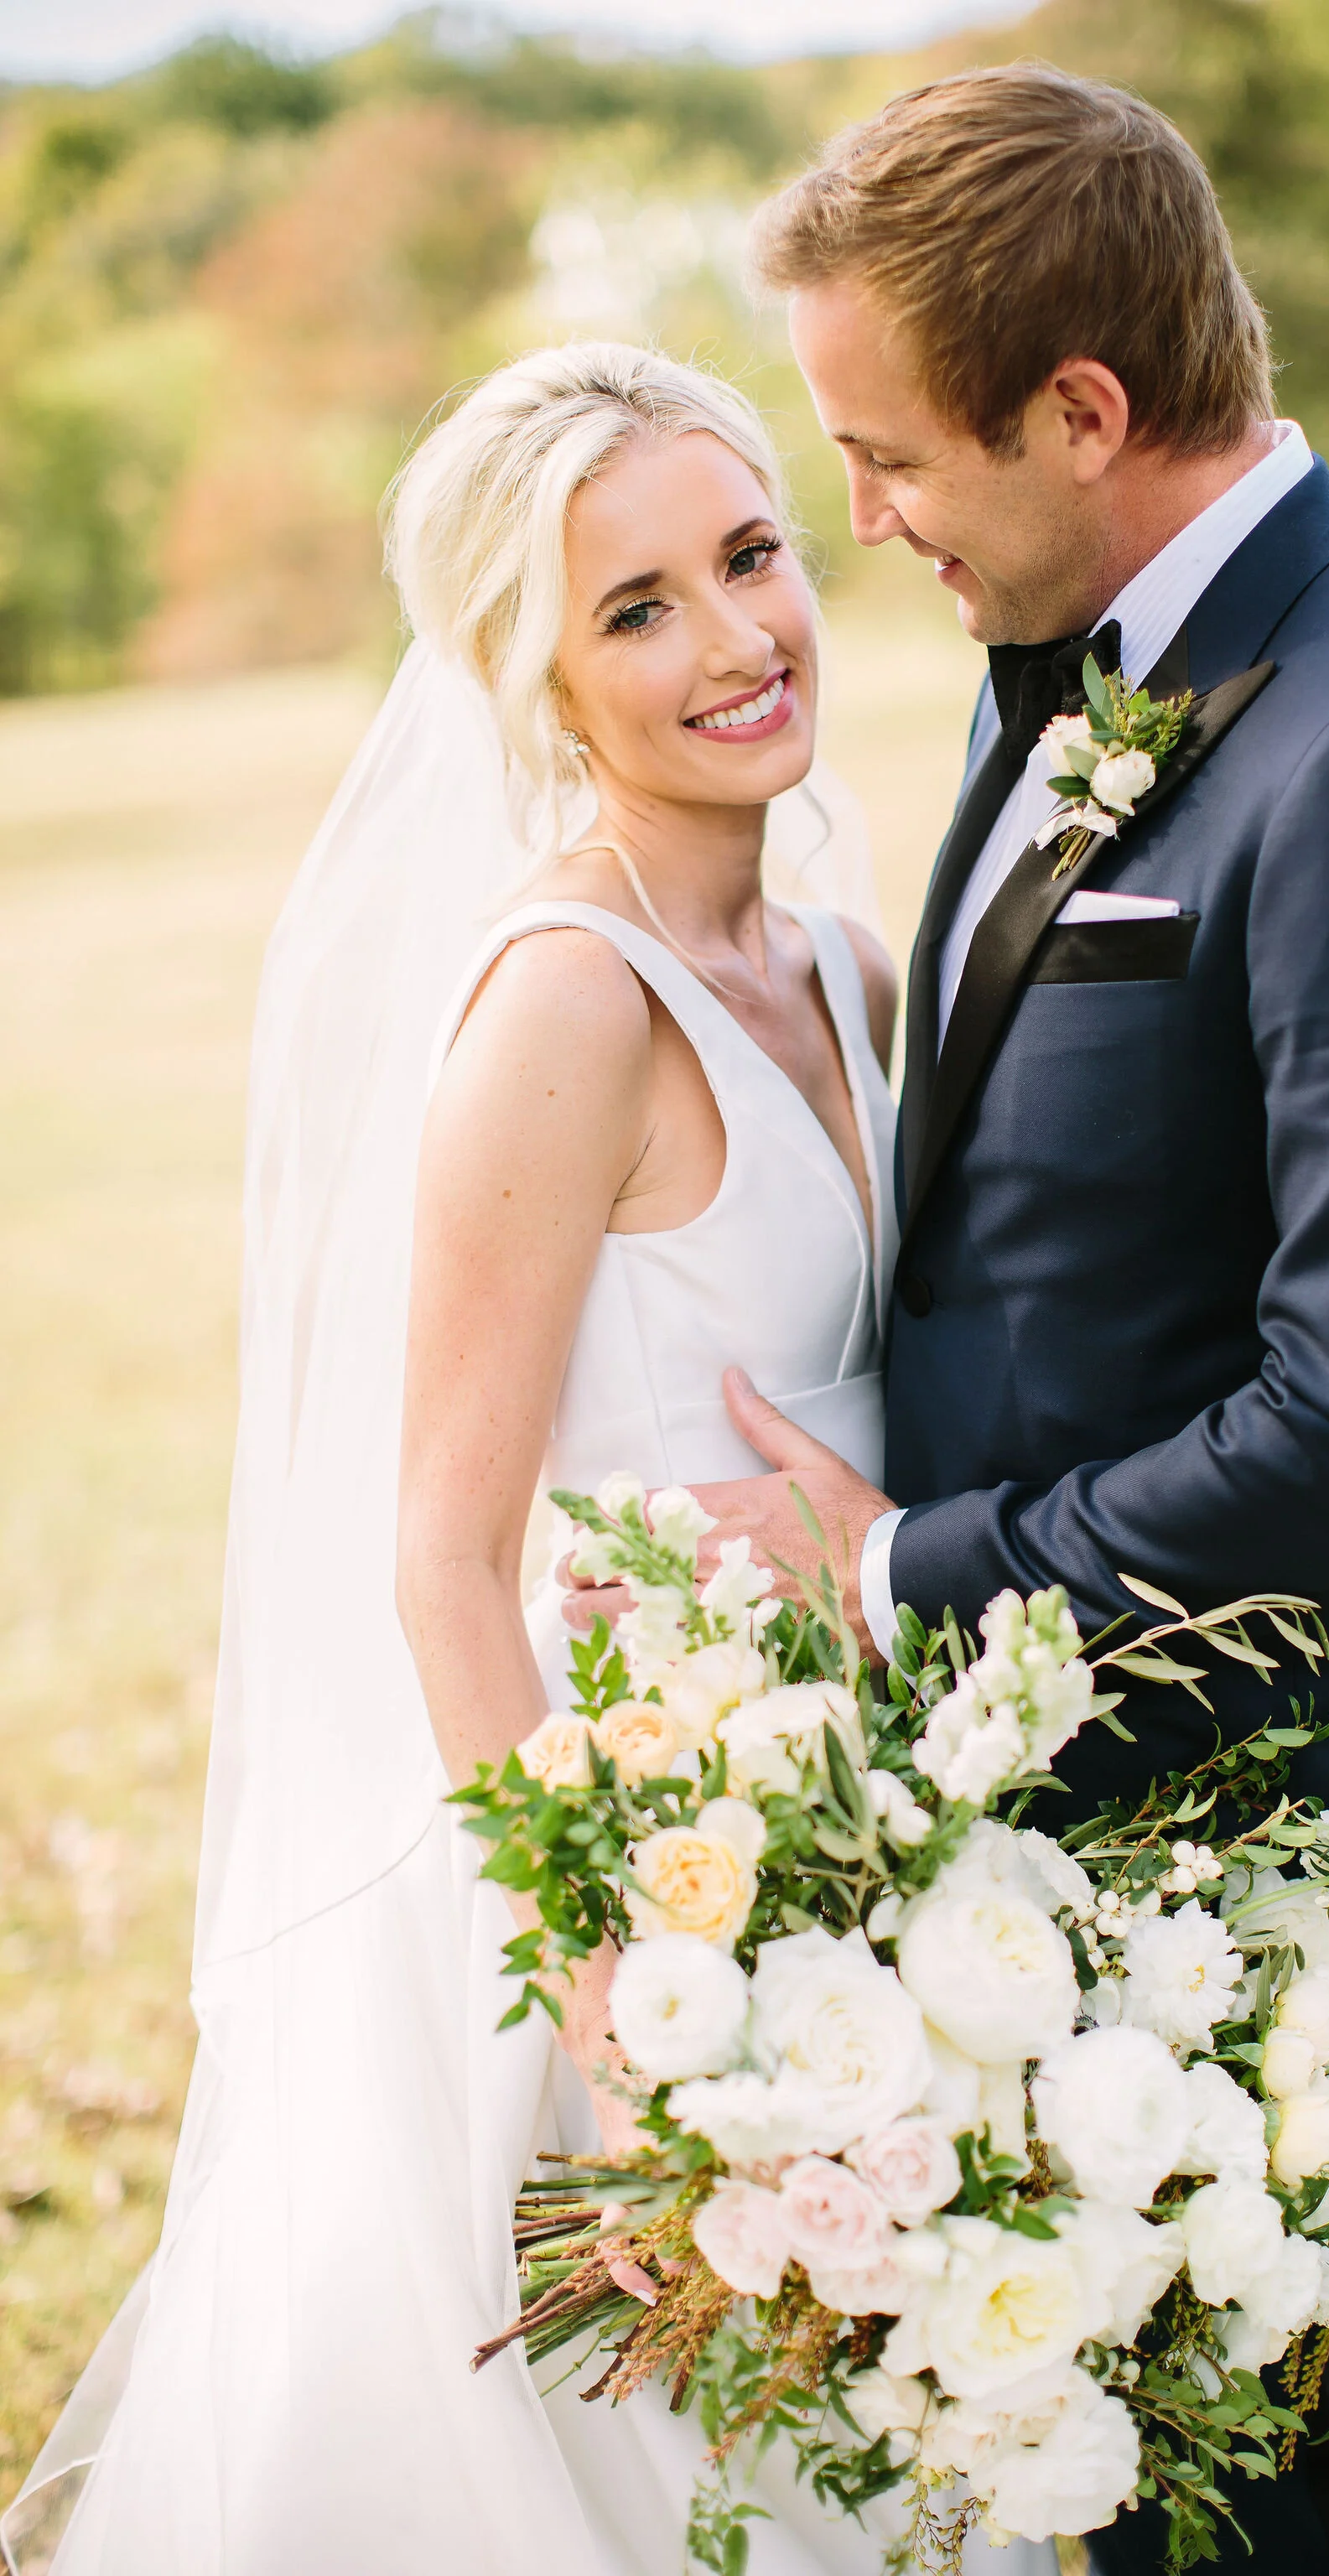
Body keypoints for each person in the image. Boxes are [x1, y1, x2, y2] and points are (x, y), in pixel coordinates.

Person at [629, 65, 1329, 2576]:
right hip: (1033, 1795)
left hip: (1235, 1804)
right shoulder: (1069, 649)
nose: (860, 523)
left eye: (892, 457)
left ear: (1085, 410)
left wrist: (899, 1576)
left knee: (1239, 2518)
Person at [4, 343, 1042, 2576]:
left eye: (749, 555)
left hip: (846, 1819)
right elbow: (444, 1557)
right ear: (541, 688)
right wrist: (602, 2000)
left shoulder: (854, 973)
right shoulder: (567, 1007)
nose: (737, 638)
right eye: (636, 607)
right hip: (623, 1874)